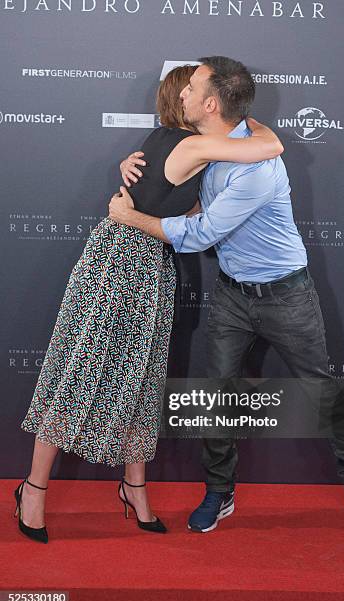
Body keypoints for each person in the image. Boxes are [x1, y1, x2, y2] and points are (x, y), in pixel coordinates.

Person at [111, 56, 344, 536]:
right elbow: (177, 186)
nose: (182, 93)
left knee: (325, 393)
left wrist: (129, 217)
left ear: (212, 103)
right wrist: (136, 167)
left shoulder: (258, 167)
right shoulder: (214, 144)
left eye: (191, 86)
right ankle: (219, 492)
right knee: (216, 396)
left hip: (287, 296)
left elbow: (200, 233)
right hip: (230, 295)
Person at [15, 64, 284, 544]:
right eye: (189, 90)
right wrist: (252, 120)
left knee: (142, 380)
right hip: (123, 264)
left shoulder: (163, 143)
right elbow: (270, 146)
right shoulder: (192, 144)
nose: (190, 97)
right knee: (78, 374)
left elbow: (188, 203)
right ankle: (33, 489)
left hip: (148, 264)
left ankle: (134, 488)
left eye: (196, 89)